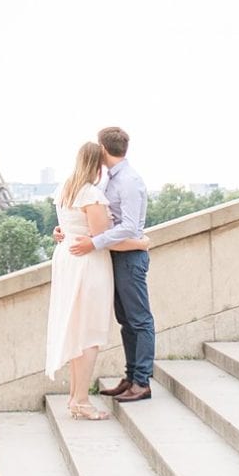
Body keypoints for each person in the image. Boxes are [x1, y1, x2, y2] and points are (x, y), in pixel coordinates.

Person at [44, 140, 147, 419]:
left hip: (67, 259)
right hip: (88, 266)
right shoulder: (91, 195)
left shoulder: (66, 188)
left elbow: (71, 228)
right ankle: (82, 401)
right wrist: (141, 244)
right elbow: (102, 241)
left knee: (76, 329)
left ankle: (75, 400)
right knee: (89, 333)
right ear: (98, 164)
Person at [68, 125, 154, 402]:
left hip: (129, 257)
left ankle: (141, 382)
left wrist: (94, 241)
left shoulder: (127, 181)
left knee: (138, 320)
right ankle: (131, 378)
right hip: (117, 255)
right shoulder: (110, 179)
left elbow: (128, 226)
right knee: (126, 320)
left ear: (103, 149)